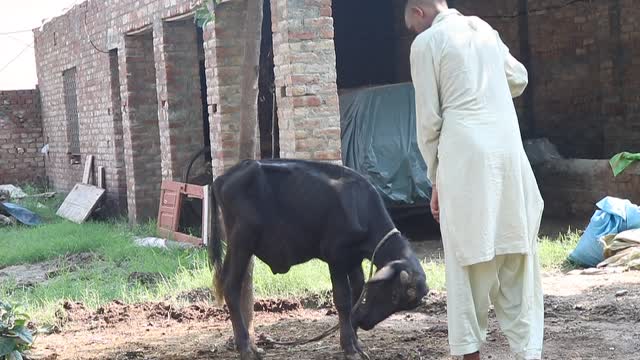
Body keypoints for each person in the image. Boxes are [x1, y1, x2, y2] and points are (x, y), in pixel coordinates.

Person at [404, 1, 545, 359]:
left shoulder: (426, 43)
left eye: (408, 21)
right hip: (509, 157)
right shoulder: (483, 29)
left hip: (465, 159)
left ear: (418, 11)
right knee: (518, 261)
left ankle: (470, 353)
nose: (408, 29)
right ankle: (528, 353)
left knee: (466, 268)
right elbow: (519, 78)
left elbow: (429, 122)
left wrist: (436, 177)